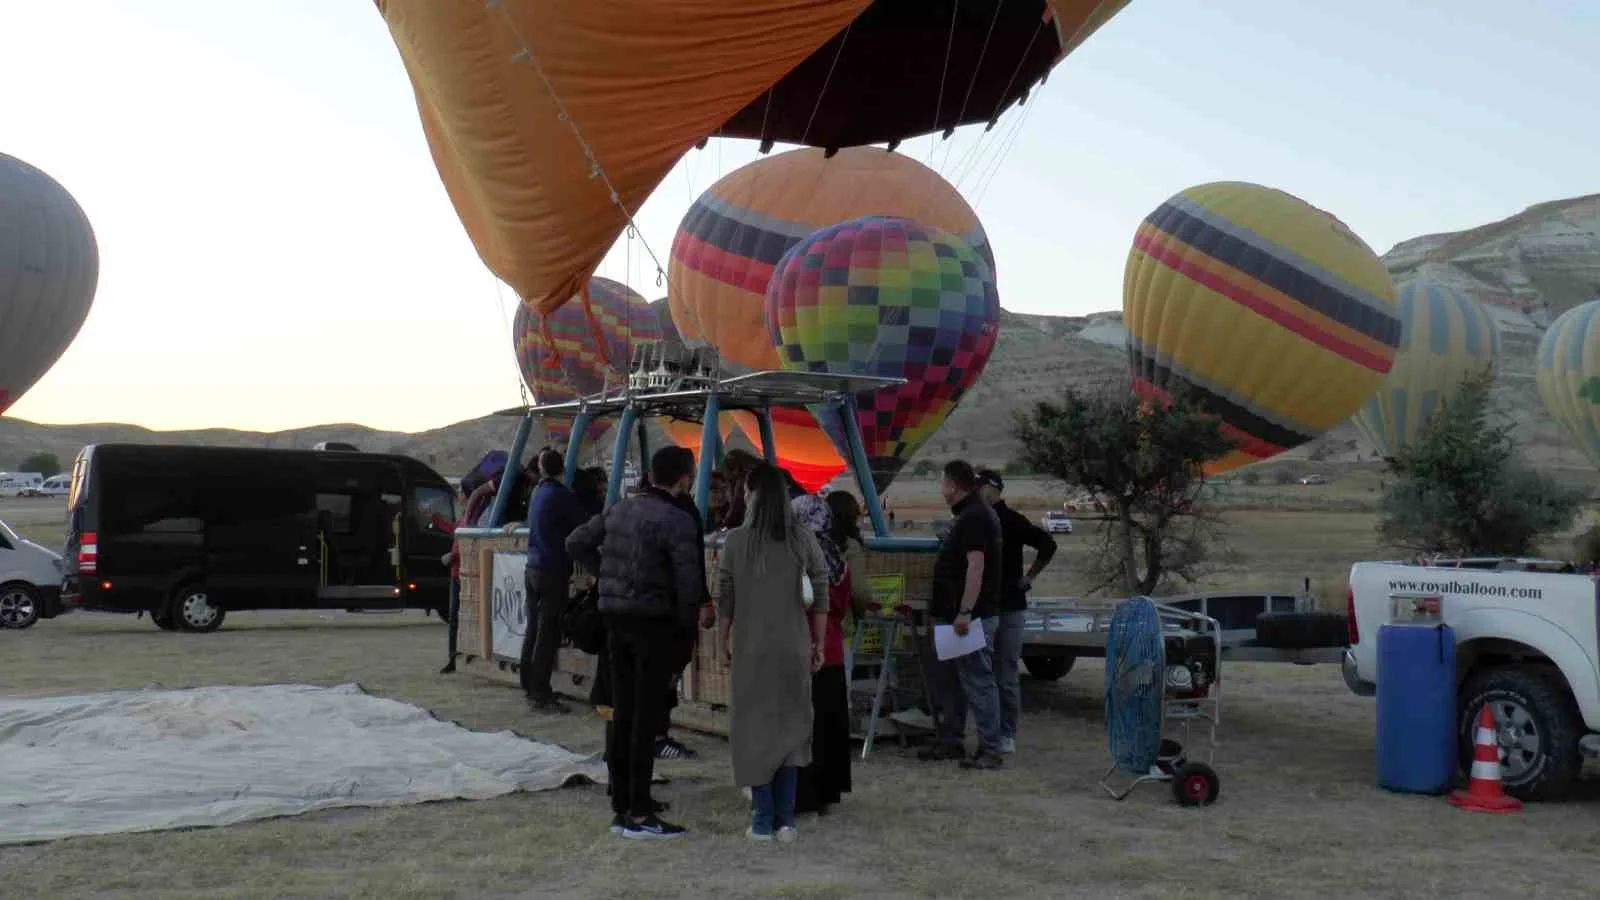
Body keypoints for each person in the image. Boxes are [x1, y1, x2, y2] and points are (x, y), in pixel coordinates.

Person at [567, 446, 703, 840]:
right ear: (684, 478)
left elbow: (574, 543)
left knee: (623, 713)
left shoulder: (619, 509)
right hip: (652, 624)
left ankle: (622, 806)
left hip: (615, 619)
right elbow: (689, 588)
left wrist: (606, 574)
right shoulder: (676, 520)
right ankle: (640, 814)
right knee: (645, 718)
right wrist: (685, 640)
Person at [717, 462, 828, 842]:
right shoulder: (803, 539)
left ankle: (762, 819)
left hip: (751, 648)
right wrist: (819, 644)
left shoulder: (734, 541)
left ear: (749, 494)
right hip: (794, 646)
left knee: (753, 732)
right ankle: (786, 820)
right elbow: (821, 595)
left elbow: (726, 600)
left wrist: (722, 644)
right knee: (793, 730)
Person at [918, 459, 1005, 769]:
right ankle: (951, 740)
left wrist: (965, 611)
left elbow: (976, 567)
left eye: (942, 483)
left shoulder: (974, 517)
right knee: (953, 681)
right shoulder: (972, 515)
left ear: (953, 485)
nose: (941, 489)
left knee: (978, 681)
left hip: (970, 617)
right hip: (958, 615)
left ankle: (990, 750)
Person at [793, 490, 873, 816]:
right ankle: (826, 791)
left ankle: (800, 792)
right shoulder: (836, 556)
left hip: (798, 647)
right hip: (832, 647)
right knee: (828, 722)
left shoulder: (793, 557)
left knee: (801, 725)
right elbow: (855, 594)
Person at [975, 468, 1057, 755]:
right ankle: (989, 731)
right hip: (981, 609)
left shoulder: (1012, 521)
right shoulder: (974, 520)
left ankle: (1007, 732)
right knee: (982, 673)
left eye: (981, 486)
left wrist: (1029, 578)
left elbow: (1048, 544)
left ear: (994, 489)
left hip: (1009, 608)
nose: (977, 491)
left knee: (1006, 672)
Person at [520, 448, 590, 713]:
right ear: (562, 469)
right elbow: (583, 525)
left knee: (533, 629)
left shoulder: (537, 492)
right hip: (552, 569)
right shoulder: (562, 495)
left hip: (533, 567)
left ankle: (528, 684)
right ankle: (540, 692)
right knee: (547, 634)